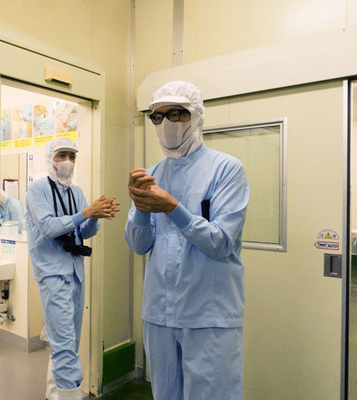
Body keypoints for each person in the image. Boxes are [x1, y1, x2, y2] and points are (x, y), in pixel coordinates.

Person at [125, 81, 250, 400]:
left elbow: (221, 243)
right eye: (158, 116)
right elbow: (139, 245)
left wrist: (173, 208)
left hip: (209, 314)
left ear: (196, 116)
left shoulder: (226, 169)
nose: (166, 123)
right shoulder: (151, 174)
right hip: (159, 313)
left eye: (176, 114)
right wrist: (141, 209)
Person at [26, 137, 119, 400]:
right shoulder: (37, 190)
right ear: (50, 158)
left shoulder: (76, 192)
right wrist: (86, 213)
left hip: (76, 273)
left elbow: (84, 232)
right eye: (61, 155)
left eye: (72, 156)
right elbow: (48, 227)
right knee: (65, 346)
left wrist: (95, 217)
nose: (68, 161)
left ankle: (54, 394)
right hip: (53, 273)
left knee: (69, 343)